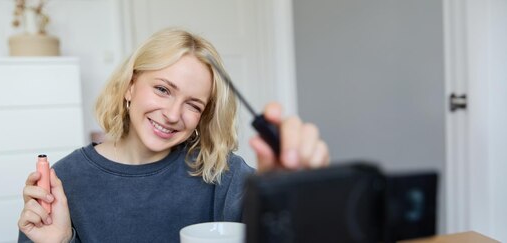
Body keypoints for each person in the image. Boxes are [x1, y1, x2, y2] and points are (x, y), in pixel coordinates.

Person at [17, 28, 330, 243]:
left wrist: (292, 194)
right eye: (163, 89)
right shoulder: (62, 182)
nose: (172, 114)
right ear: (130, 85)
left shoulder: (224, 175)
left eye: (193, 105)